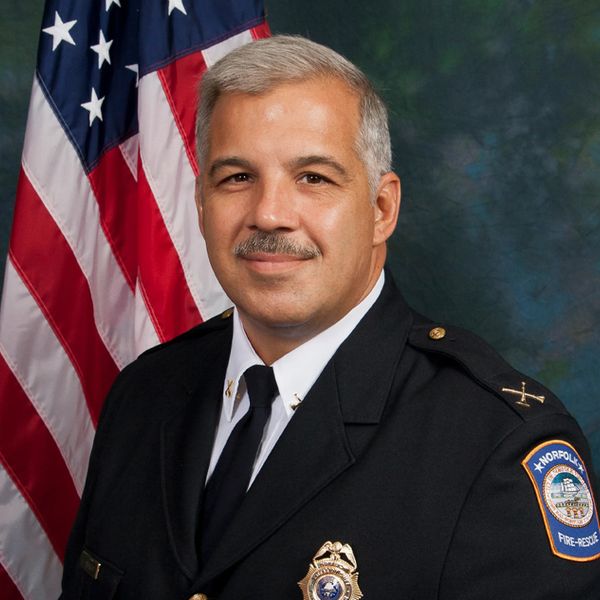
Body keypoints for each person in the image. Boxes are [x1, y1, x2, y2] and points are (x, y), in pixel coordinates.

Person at [60, 35, 600, 599]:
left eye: (313, 178)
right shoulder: (144, 396)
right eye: (237, 177)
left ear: (381, 209)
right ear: (200, 205)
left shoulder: (495, 446)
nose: (269, 214)